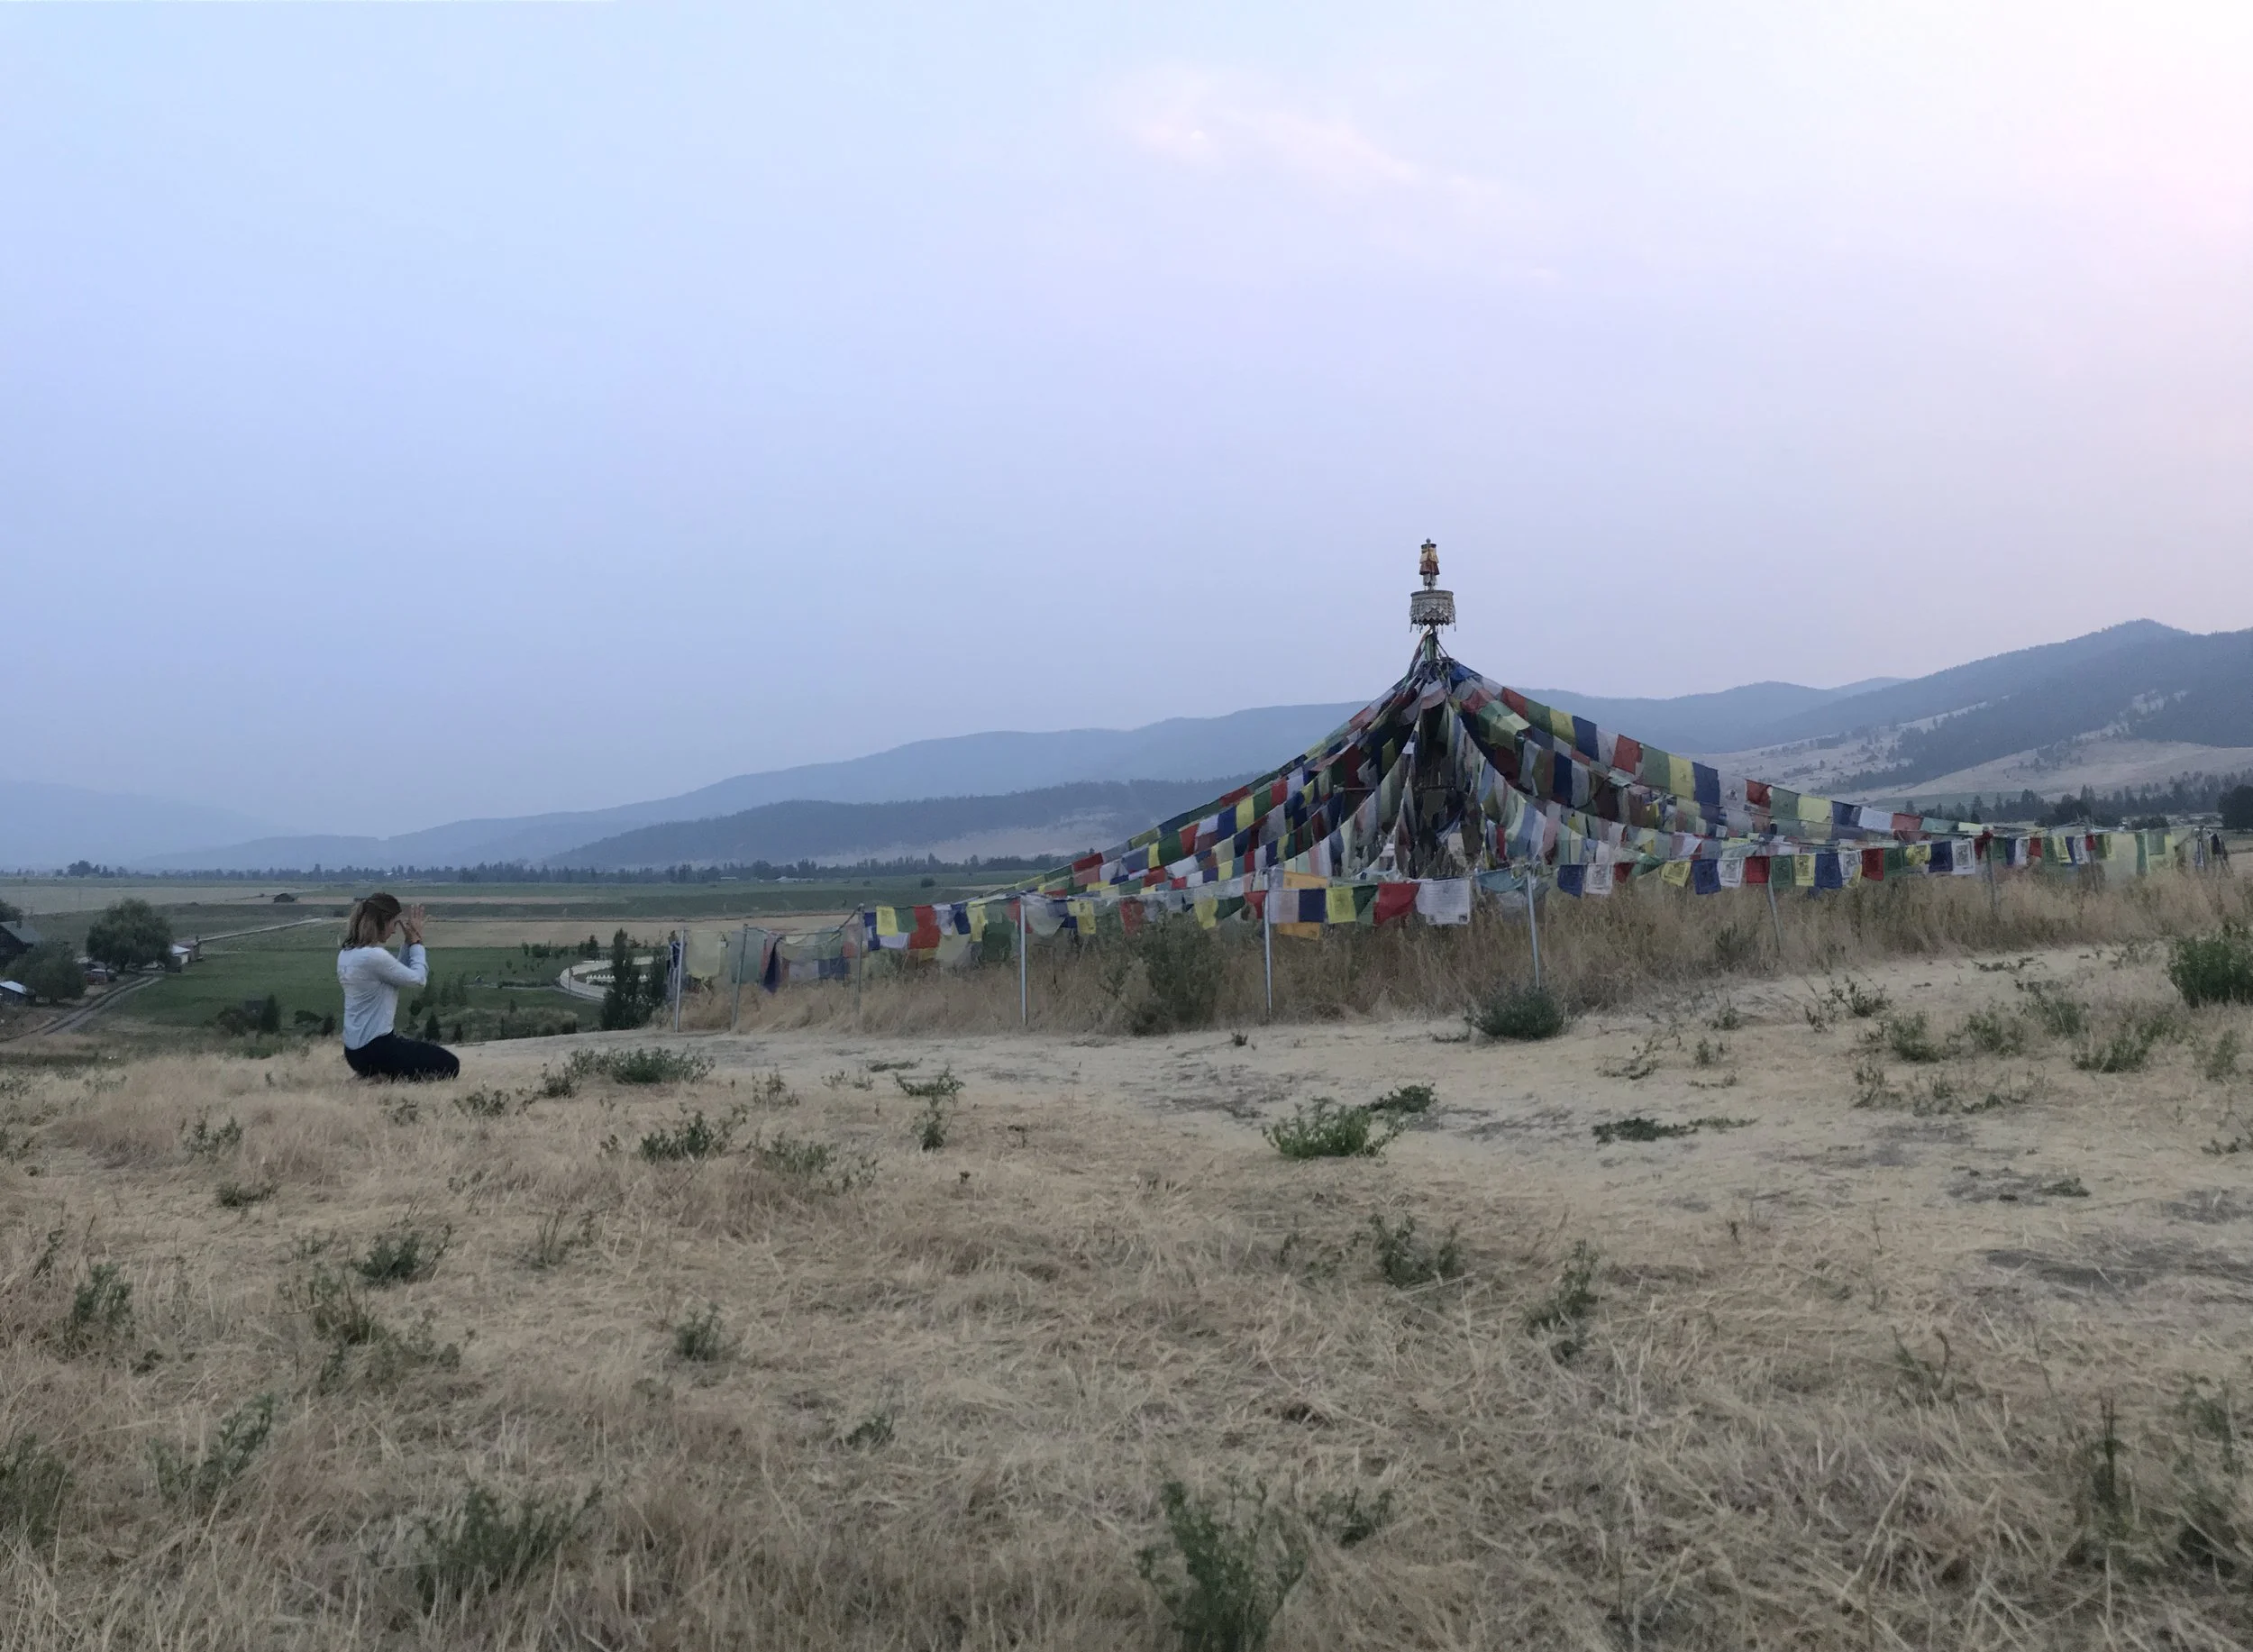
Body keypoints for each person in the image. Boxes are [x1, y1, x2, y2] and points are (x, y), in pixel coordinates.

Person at [337, 892, 459, 1081]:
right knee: (450, 1065)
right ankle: (383, 1077)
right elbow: (418, 979)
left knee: (416, 1054)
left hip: (354, 1053)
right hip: (377, 1049)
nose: (394, 931)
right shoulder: (374, 956)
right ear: (382, 922)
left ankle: (375, 1075)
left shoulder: (347, 954)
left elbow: (394, 974)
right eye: (394, 924)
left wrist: (408, 943)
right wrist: (417, 943)